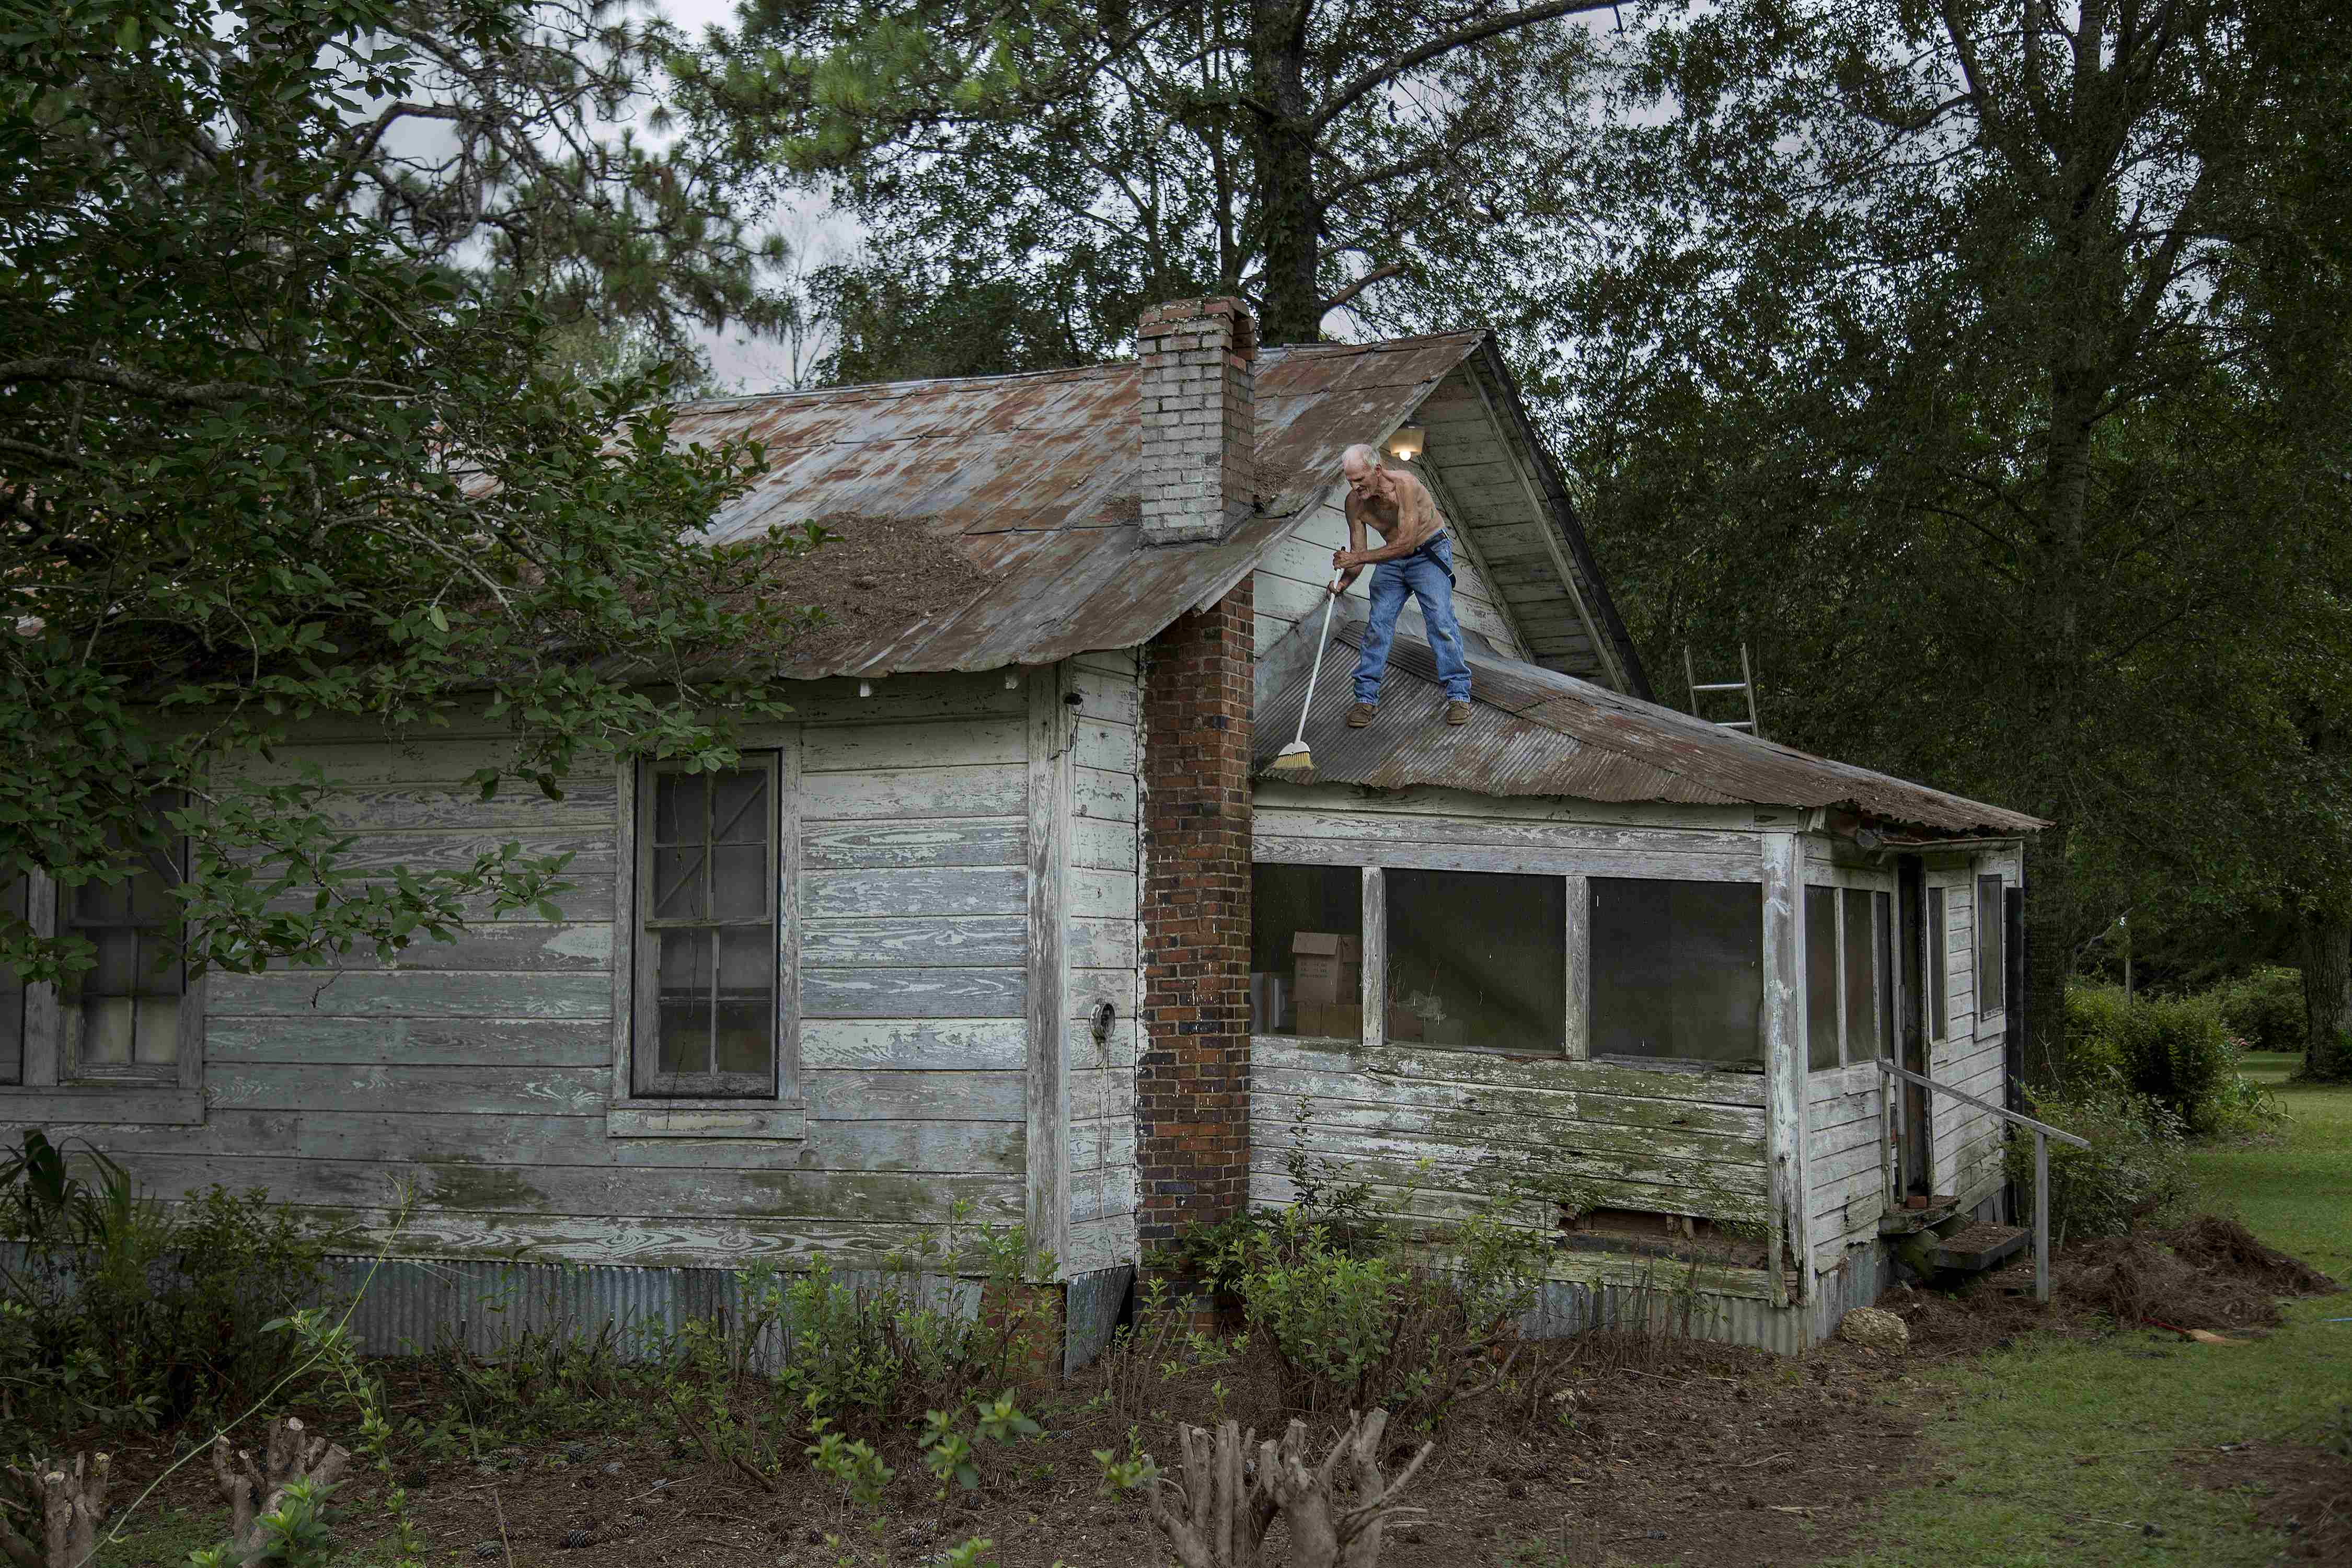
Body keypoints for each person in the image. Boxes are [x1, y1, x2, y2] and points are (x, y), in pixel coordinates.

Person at [1331, 442, 1472, 727]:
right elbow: (1359, 553)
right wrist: (1344, 581)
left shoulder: (1406, 485)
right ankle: (1365, 700)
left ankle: (1459, 695)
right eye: (1350, 481)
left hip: (1427, 551)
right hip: (1391, 557)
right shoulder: (1354, 504)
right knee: (1377, 626)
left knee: (1440, 621)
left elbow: (1406, 543)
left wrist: (1357, 557)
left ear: (1378, 470)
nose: (1356, 486)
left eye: (1360, 479)